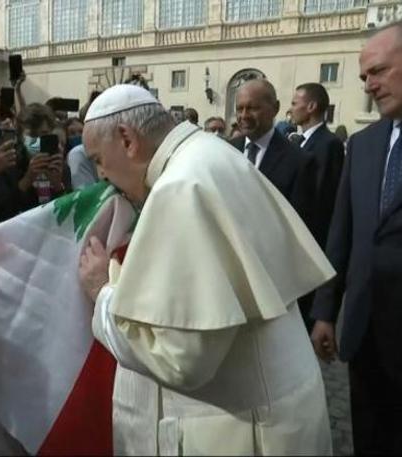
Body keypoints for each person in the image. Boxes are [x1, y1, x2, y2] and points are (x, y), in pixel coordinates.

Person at [77, 84, 335, 455]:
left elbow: (181, 361)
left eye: (99, 159)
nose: (101, 174)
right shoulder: (211, 152)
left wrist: (103, 292)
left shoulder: (179, 187)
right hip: (282, 403)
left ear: (127, 139)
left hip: (243, 428)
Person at [311, 18, 402, 455]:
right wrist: (327, 311)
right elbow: (342, 234)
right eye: (365, 76)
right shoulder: (365, 145)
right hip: (366, 344)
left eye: (379, 71)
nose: (369, 85)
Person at [230, 80, 315, 226]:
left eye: (252, 108)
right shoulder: (226, 151)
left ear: (275, 108)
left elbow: (302, 226)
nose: (244, 115)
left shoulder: (300, 162)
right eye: (239, 109)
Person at [0, 103, 68, 224]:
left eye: (44, 134)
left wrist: (58, 185)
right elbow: (0, 214)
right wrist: (27, 180)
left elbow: (70, 213)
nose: (38, 140)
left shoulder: (59, 164)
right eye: (32, 135)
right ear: (21, 136)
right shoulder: (9, 164)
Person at [289, 82, 345, 249]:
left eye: (294, 103)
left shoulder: (329, 144)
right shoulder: (299, 142)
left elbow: (322, 198)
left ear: (311, 106)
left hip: (312, 239)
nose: (291, 109)